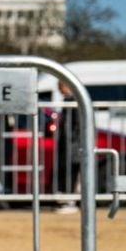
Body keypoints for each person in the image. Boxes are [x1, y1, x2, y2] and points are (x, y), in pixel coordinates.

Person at [54, 81, 81, 214]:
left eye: (61, 87)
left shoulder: (74, 101)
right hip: (69, 144)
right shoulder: (70, 101)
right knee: (68, 173)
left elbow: (76, 125)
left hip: (73, 145)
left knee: (72, 173)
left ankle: (71, 202)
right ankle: (68, 201)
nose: (60, 90)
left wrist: (74, 142)